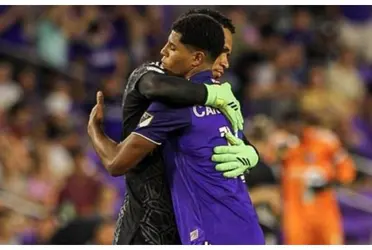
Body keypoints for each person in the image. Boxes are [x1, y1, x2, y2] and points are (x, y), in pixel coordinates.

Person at [88, 10, 259, 245]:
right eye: (221, 53)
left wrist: (253, 154)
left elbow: (237, 138)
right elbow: (153, 85)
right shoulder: (157, 79)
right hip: (146, 227)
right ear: (201, 54)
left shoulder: (222, 99)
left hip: (192, 227)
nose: (225, 62)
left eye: (226, 52)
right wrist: (208, 93)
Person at [280, 110, 356, 244]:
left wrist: (337, 181)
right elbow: (269, 162)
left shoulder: (325, 141)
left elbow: (345, 166)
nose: (295, 129)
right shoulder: (284, 146)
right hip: (296, 214)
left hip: (324, 212)